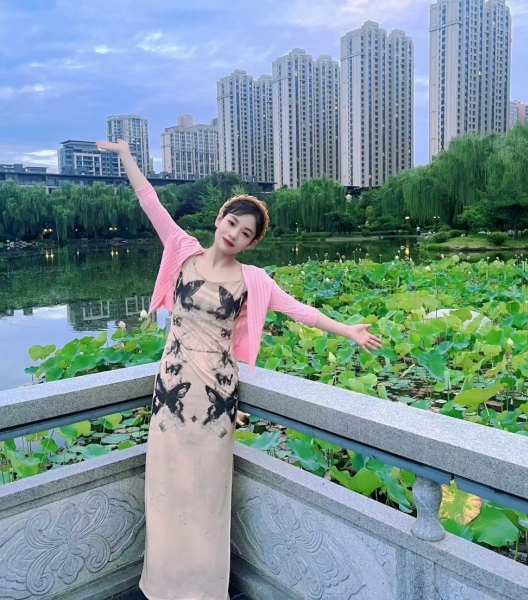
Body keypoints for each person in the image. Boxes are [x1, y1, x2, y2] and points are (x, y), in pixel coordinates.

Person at [96, 139, 382, 600]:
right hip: (171, 391)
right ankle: (163, 587)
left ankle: (205, 591)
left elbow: (301, 312)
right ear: (219, 219)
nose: (235, 234)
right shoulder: (182, 250)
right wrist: (126, 155)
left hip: (217, 397)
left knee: (208, 496)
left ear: (252, 242)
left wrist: (347, 330)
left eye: (246, 233)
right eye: (232, 222)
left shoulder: (254, 280)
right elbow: (150, 201)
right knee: (166, 491)